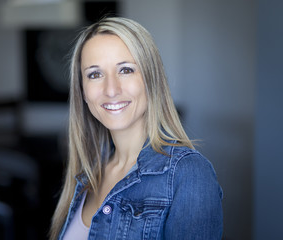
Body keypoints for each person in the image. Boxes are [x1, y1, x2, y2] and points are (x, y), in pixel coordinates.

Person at [49, 17, 223, 240]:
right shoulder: (87, 174)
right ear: (83, 91)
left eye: (126, 70)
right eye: (95, 74)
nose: (111, 89)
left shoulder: (188, 174)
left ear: (151, 79)